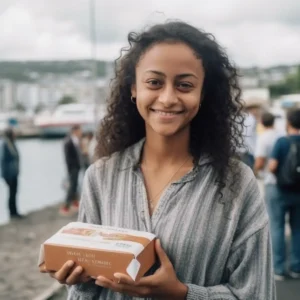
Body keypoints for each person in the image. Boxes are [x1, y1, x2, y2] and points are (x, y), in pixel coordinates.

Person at [41, 21, 275, 299]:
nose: (167, 98)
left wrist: (182, 293)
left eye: (184, 85)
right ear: (133, 88)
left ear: (203, 94)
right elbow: (88, 293)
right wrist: (79, 280)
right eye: (154, 82)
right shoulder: (101, 176)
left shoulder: (237, 183)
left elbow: (257, 292)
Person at [268, 108, 300, 281]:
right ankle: (297, 267)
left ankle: (279, 269)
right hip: (299, 192)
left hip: (280, 191)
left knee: (277, 227)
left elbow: (272, 166)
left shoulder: (282, 141)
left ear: (288, 123)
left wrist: (279, 177)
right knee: (298, 229)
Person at [0, 127, 24, 219]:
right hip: (9, 174)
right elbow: (2, 161)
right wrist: (5, 176)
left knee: (14, 193)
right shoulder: (5, 145)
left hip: (14, 173)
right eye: (13, 133)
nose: (15, 135)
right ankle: (12, 213)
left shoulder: (11, 143)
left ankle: (15, 211)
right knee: (11, 193)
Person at [60, 125, 83, 216]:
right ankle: (66, 206)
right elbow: (67, 158)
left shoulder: (75, 140)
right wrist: (70, 169)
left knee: (75, 185)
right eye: (80, 131)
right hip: (72, 168)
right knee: (72, 186)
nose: (81, 133)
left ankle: (75, 202)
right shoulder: (68, 141)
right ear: (75, 131)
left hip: (76, 167)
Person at [254, 112, 281, 179]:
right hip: (283, 175)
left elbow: (260, 161)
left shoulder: (262, 138)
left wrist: (254, 172)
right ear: (273, 122)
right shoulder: (281, 135)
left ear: (262, 122)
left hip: (269, 177)